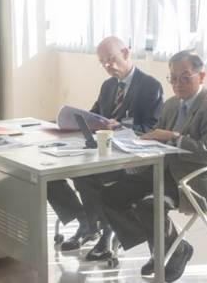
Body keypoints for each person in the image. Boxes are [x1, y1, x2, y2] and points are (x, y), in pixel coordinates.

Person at [100, 50, 207, 282]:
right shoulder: (171, 104)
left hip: (190, 179)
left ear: (202, 76)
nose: (178, 84)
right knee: (110, 195)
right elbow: (157, 139)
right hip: (161, 170)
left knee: (148, 206)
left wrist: (174, 136)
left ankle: (171, 251)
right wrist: (137, 144)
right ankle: (169, 247)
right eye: (173, 78)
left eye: (185, 77)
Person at [48, 36, 164, 258]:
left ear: (126, 53)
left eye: (111, 59)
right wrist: (76, 121)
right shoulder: (108, 86)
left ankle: (105, 232)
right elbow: (95, 115)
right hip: (102, 151)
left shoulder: (150, 86)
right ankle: (85, 222)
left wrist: (122, 127)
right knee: (51, 175)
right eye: (102, 62)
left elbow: (153, 127)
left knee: (87, 176)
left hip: (130, 158)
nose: (107, 66)